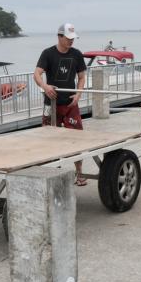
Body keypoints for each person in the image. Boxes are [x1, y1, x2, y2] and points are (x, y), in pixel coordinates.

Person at [33, 23, 88, 186]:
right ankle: (51, 175)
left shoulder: (77, 54)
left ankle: (79, 173)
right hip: (51, 103)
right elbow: (36, 74)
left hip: (70, 103)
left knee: (76, 138)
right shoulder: (48, 53)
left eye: (73, 38)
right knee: (48, 139)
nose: (71, 41)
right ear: (59, 37)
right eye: (68, 38)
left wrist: (78, 94)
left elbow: (82, 77)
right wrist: (45, 86)